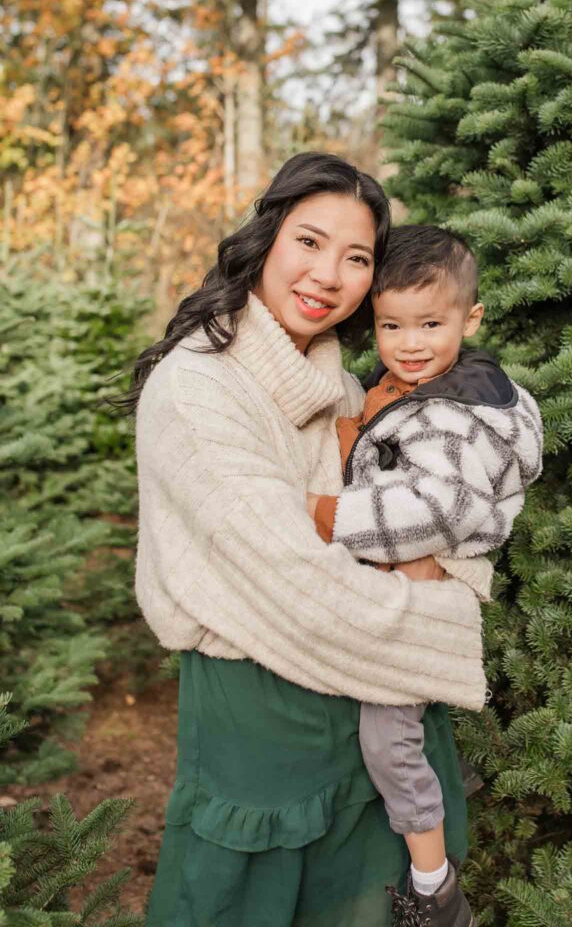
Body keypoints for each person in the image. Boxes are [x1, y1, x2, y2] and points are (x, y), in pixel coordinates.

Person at [110, 154, 494, 927]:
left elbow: (437, 517)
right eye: (308, 242)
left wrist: (433, 567)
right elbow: (292, 577)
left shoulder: (341, 384)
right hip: (264, 723)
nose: (328, 274)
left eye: (355, 258)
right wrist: (445, 620)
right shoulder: (196, 388)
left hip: (374, 704)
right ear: (265, 240)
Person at [308, 225, 544, 926]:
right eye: (390, 326)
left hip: (430, 584)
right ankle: (439, 785)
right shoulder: (443, 392)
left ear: (469, 320)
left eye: (430, 325)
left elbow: (435, 509)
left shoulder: (451, 412)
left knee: (386, 739)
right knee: (393, 722)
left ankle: (435, 890)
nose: (409, 343)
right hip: (417, 580)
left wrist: (322, 513)